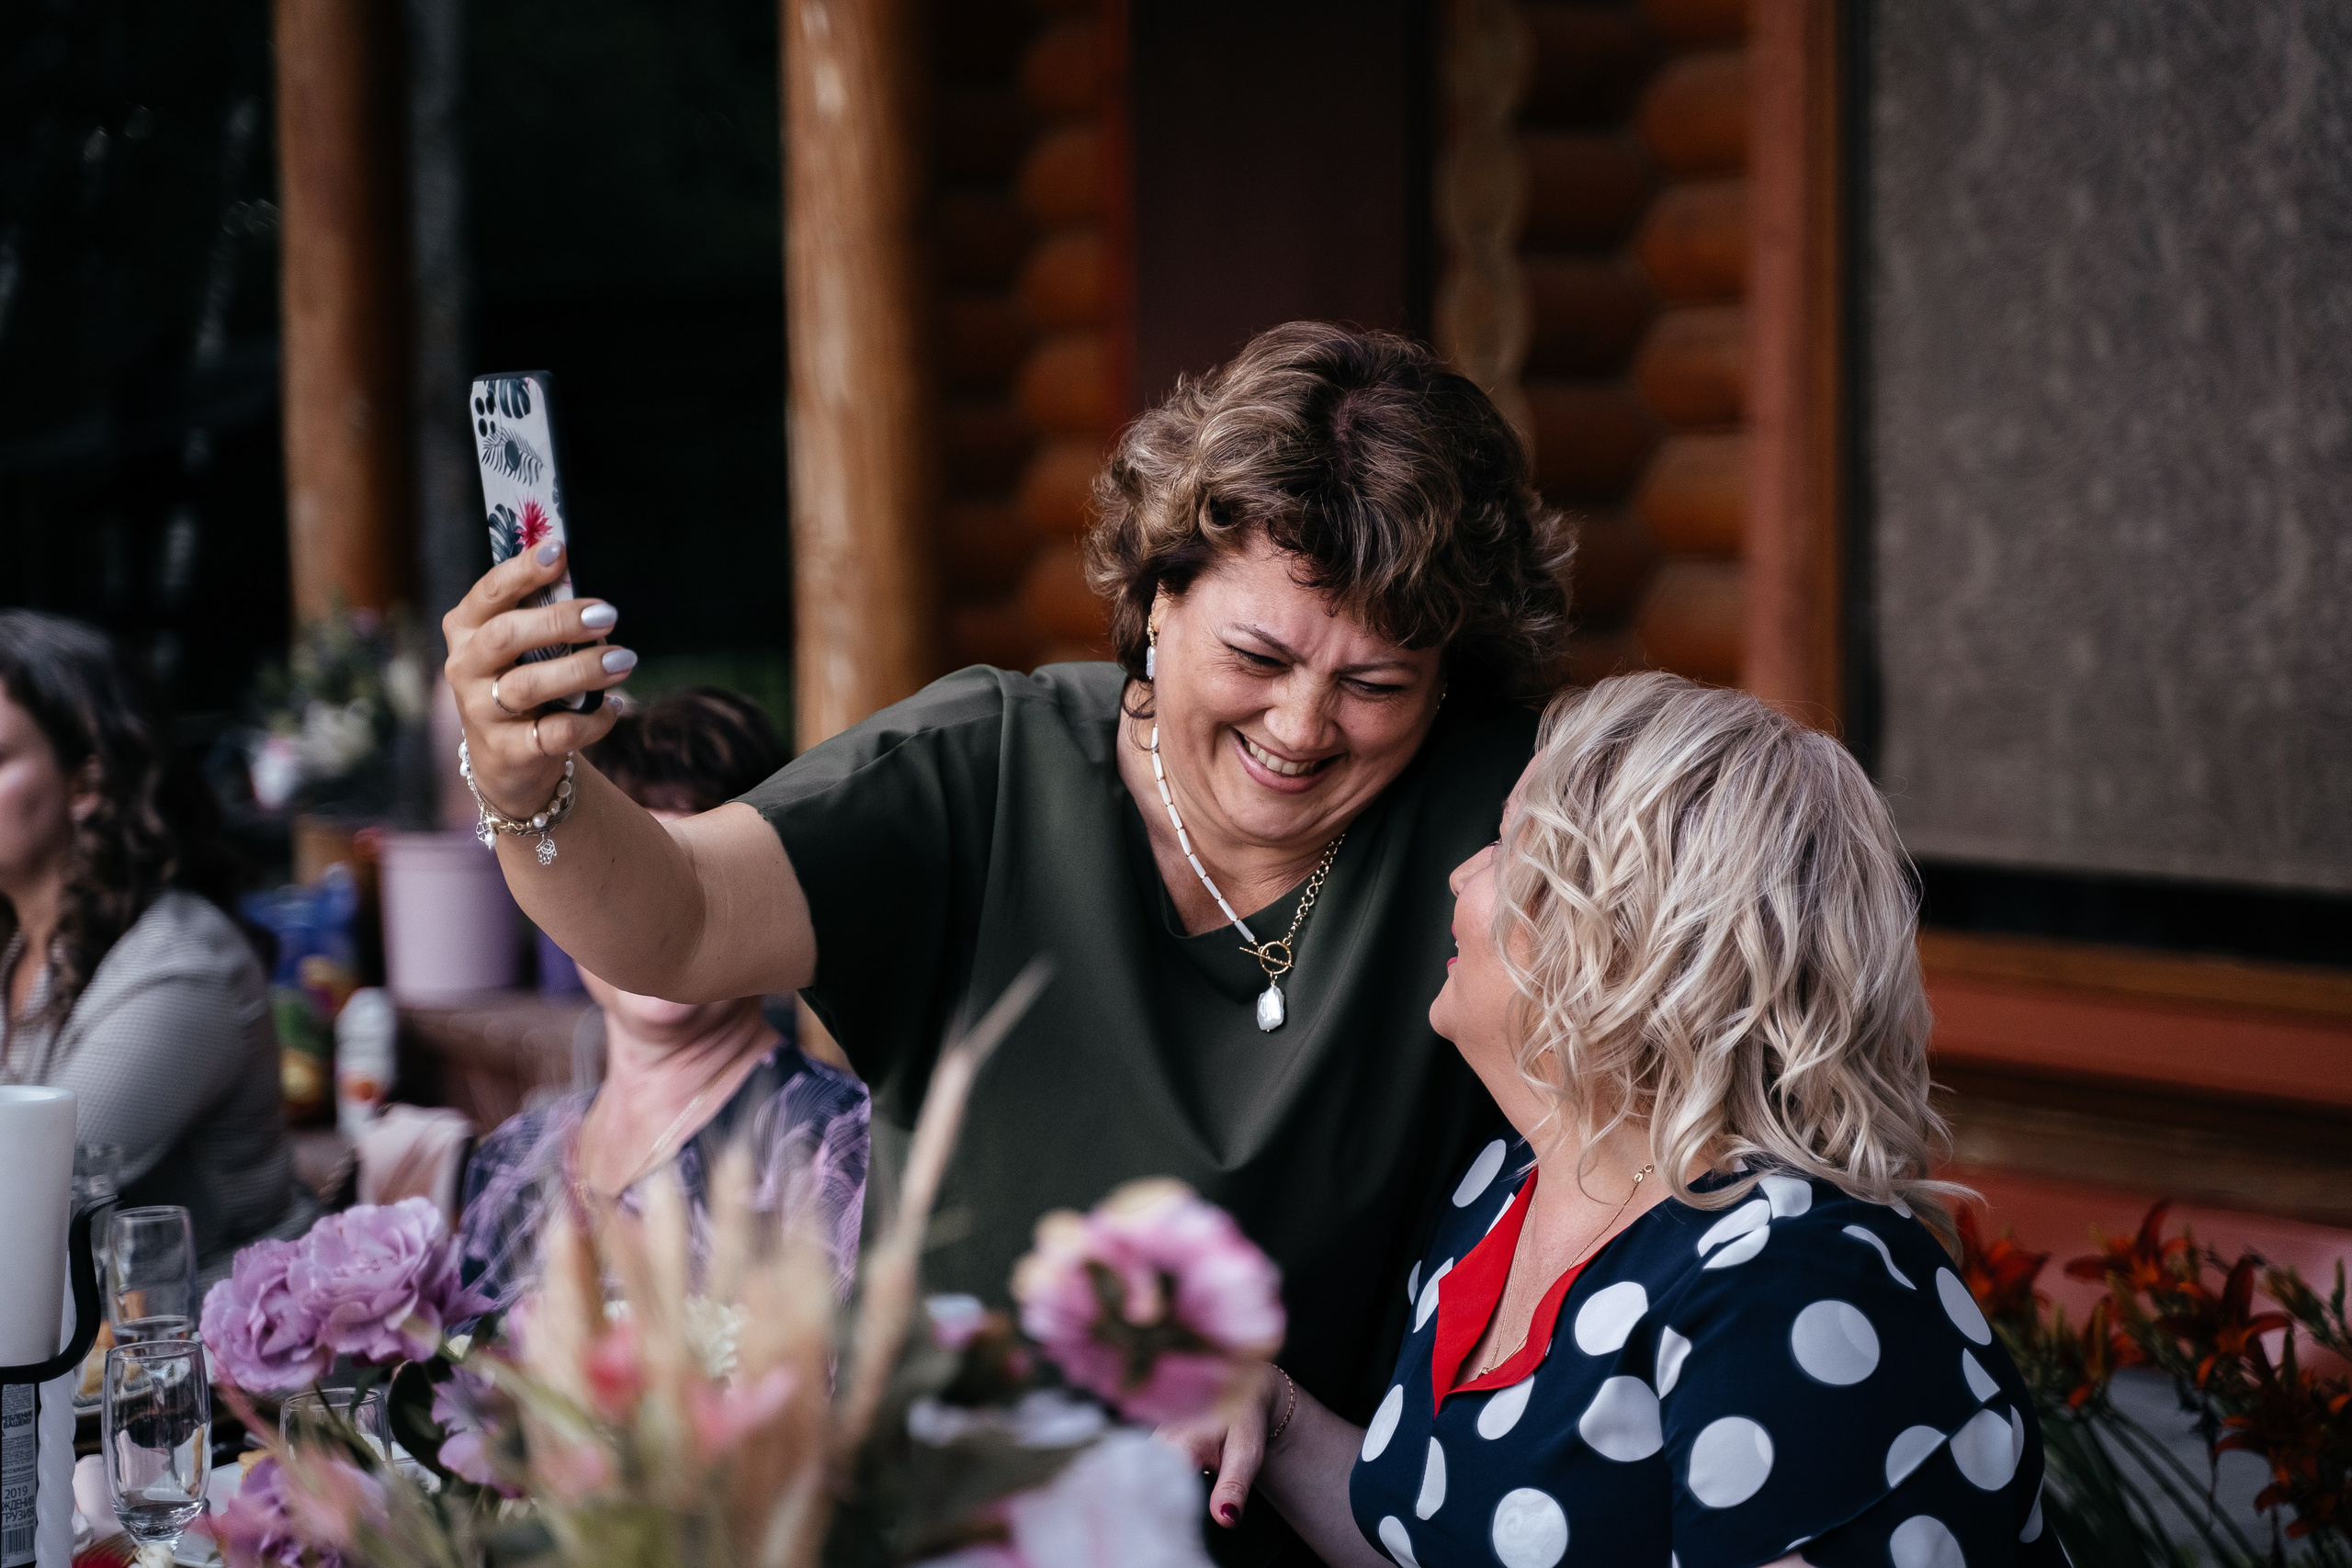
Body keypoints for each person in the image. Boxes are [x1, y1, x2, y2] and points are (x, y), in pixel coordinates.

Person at [443, 322, 1571, 1562]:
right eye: (1259, 656)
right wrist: (528, 781)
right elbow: (678, 917)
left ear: (1447, 681)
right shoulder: (985, 770)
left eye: (1376, 684)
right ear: (1160, 599)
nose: (1302, 726)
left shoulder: (1505, 818)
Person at [1178, 671, 2061, 1568]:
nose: (1461, 874)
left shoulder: (1790, 1283)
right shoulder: (1506, 1188)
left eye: (1506, 843)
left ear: (1620, 933)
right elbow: (1442, 1545)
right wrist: (1276, 1418)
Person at [457, 688, 869, 1312]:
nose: (653, 923)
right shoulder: (509, 1160)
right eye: (624, 882)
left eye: (685, 884)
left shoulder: (830, 1142)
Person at [0, 611, 302, 1275]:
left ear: (85, 784)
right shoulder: (20, 951)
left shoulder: (182, 966)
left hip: (218, 1336)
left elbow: (22, 1197)